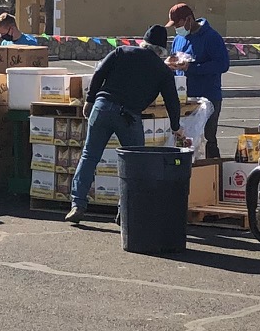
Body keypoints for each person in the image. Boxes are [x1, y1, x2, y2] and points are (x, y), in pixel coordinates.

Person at [68, 24, 185, 225]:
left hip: (102, 107)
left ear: (144, 42)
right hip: (129, 116)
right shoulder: (162, 70)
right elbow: (171, 101)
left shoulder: (121, 51)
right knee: (134, 164)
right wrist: (176, 126)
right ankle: (125, 210)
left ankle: (78, 203)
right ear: (162, 50)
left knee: (89, 155)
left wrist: (89, 100)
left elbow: (99, 73)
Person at [167, 1, 231, 159]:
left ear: (189, 20)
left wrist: (192, 68)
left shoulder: (211, 37)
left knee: (208, 138)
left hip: (207, 96)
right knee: (184, 138)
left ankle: (214, 171)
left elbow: (222, 65)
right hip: (184, 98)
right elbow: (173, 58)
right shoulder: (178, 39)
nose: (176, 28)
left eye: (178, 24)